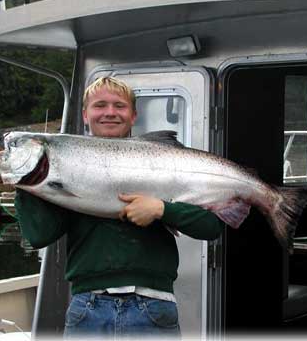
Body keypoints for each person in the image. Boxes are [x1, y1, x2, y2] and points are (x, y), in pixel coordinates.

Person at [15, 76, 224, 339]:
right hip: (87, 307)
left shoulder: (164, 165)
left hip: (153, 305)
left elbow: (211, 226)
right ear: (85, 114)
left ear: (134, 115)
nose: (110, 112)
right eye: (100, 105)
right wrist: (25, 183)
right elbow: (38, 236)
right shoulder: (66, 169)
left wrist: (162, 209)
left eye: (119, 106)